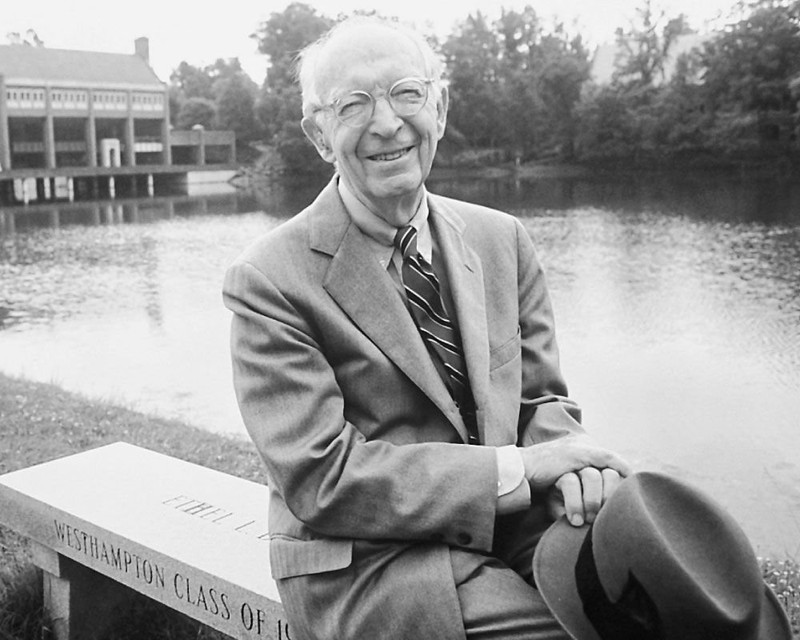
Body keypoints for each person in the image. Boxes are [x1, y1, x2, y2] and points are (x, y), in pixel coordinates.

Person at [223, 16, 630, 640]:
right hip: (371, 561)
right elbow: (323, 480)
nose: (387, 122)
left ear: (438, 108)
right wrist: (522, 470)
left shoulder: (503, 240)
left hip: (515, 523)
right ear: (319, 135)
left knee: (659, 597)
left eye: (407, 93)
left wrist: (572, 466)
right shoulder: (269, 279)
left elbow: (540, 400)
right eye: (354, 103)